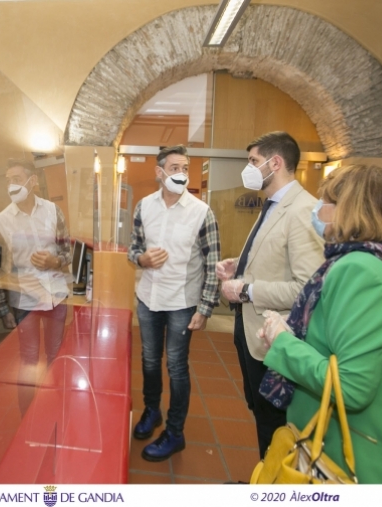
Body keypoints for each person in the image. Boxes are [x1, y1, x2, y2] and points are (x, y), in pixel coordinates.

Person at [258, 164, 382, 484]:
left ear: (349, 210)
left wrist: (282, 341)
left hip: (358, 459)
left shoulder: (358, 270)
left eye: (326, 202)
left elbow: (351, 387)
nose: (318, 209)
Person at [216, 131, 324, 459]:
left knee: (274, 423)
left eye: (253, 161)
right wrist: (240, 264)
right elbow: (275, 259)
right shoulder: (273, 205)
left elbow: (307, 287)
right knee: (261, 414)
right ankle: (267, 475)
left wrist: (246, 289)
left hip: (273, 338)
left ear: (275, 163)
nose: (248, 169)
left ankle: (275, 484)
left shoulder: (304, 210)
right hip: (251, 331)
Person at [128, 145, 221, 462]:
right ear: (159, 172)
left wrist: (205, 308)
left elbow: (213, 263)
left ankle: (175, 432)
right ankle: (151, 410)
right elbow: (133, 249)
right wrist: (141, 259)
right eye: (175, 167)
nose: (181, 173)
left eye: (185, 168)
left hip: (182, 302)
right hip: (148, 298)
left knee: (176, 367)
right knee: (150, 361)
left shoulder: (201, 212)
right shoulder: (144, 207)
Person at [0, 160, 71, 412]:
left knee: (55, 355)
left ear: (32, 181)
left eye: (16, 178)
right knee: (28, 360)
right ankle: (28, 413)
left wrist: (55, 261)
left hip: (55, 295)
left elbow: (68, 252)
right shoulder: (0, 221)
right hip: (24, 299)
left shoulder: (53, 211)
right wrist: (3, 309)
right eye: (8, 180)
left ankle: (55, 406)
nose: (11, 185)